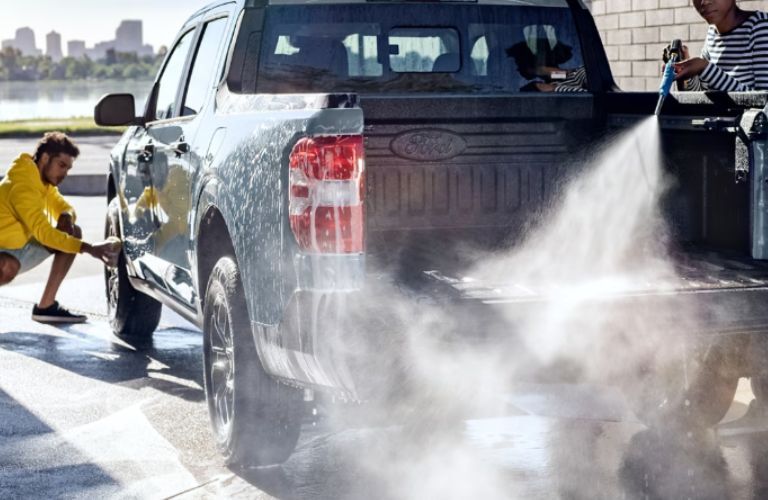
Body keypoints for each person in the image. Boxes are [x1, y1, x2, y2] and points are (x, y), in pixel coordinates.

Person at [0, 132, 118, 324]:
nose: (64, 174)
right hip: (4, 253)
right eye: (61, 166)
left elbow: (61, 204)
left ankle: (45, 306)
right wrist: (89, 248)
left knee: (72, 232)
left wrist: (66, 216)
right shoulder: (22, 185)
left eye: (68, 168)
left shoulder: (42, 181)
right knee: (6, 266)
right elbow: (44, 233)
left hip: (18, 247)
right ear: (45, 158)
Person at [674, 0, 768, 91]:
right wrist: (686, 72)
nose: (704, 2)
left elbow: (764, 101)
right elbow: (702, 93)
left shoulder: (760, 26)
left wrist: (705, 68)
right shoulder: (712, 32)